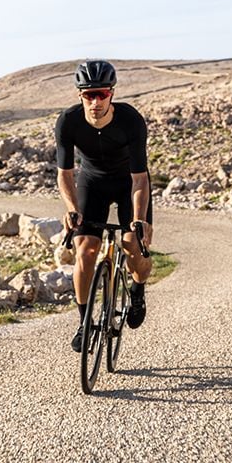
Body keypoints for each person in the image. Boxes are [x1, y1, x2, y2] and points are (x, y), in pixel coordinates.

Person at [54, 60, 154, 353]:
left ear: (112, 93)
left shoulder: (130, 120)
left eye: (101, 94)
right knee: (85, 249)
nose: (95, 101)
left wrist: (138, 220)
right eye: (88, 95)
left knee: (134, 247)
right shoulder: (68, 121)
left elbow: (139, 179)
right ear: (80, 95)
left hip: (128, 185)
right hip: (92, 183)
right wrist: (72, 208)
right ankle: (84, 322)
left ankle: (137, 289)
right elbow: (65, 174)